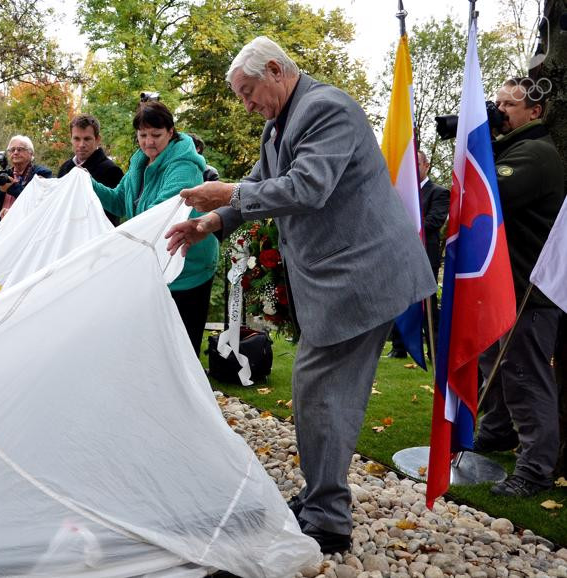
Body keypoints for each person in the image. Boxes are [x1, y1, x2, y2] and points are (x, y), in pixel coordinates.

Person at [164, 36, 435, 553]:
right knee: (321, 393)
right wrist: (213, 221)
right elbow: (262, 185)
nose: (247, 105)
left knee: (321, 391)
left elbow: (307, 187)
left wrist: (229, 194)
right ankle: (320, 504)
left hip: (363, 278)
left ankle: (328, 519)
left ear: (275, 69)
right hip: (340, 281)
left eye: (248, 92)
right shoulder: (279, 125)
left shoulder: (326, 108)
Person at [473, 77, 565, 497]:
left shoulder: (536, 153)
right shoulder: (510, 148)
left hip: (530, 289)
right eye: (498, 104)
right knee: (495, 365)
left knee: (526, 376)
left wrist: (479, 142)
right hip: (504, 286)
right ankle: (495, 434)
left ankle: (535, 470)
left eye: (510, 105)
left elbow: (491, 193)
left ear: (535, 111)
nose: (501, 111)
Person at [91, 100, 218, 355]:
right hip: (157, 263)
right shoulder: (140, 163)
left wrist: (115, 244)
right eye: (143, 135)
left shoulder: (183, 165)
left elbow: (162, 212)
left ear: (171, 133)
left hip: (188, 266)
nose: (149, 142)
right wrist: (86, 183)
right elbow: (118, 201)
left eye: (156, 135)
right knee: (155, 347)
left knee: (182, 351)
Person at [386, 150, 450, 359]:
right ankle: (399, 348)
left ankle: (434, 350)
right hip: (400, 255)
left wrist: (405, 229)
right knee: (399, 301)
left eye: (417, 164)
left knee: (427, 305)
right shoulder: (402, 194)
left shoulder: (438, 192)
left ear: (427, 165)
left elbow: (434, 221)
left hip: (424, 257)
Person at [57, 114, 124, 226]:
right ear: (71, 139)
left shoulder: (112, 171)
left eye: (87, 139)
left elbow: (112, 215)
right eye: (76, 139)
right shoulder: (65, 168)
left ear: (97, 139)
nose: (81, 145)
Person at [0, 135, 52, 226]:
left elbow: (40, 203)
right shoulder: (4, 175)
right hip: (2, 230)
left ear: (31, 153)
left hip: (27, 229)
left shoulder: (41, 173)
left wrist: (12, 187)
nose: (15, 152)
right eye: (12, 150)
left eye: (20, 149)